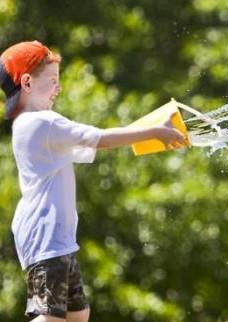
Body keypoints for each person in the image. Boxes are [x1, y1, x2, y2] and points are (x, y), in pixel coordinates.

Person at [0, 40, 185, 322]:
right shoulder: (41, 123)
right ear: (26, 82)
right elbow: (99, 139)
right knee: (49, 317)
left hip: (56, 238)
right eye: (52, 80)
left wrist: (151, 129)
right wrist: (154, 132)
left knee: (78, 314)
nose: (58, 88)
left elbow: (94, 141)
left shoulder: (30, 126)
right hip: (45, 235)